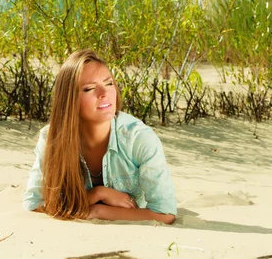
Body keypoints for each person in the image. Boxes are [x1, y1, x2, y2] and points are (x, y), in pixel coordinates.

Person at [23, 49, 177, 223]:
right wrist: (96, 194)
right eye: (89, 88)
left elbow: (165, 214)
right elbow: (34, 203)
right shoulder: (52, 138)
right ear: (69, 100)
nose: (104, 93)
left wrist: (97, 211)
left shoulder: (139, 138)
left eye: (109, 83)